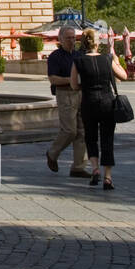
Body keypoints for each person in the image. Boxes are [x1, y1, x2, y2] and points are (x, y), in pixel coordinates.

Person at [71, 28, 127, 191]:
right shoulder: (107, 59)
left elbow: (74, 85)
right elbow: (123, 76)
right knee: (107, 139)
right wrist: (115, 61)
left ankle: (95, 169)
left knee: (91, 137)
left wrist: (87, 85)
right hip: (107, 102)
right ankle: (107, 177)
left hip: (88, 102)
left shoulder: (78, 61)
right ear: (97, 43)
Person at [45, 27, 89, 178]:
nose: (72, 41)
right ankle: (52, 153)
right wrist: (70, 80)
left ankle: (78, 166)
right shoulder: (55, 57)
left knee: (82, 131)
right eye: (69, 38)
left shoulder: (79, 55)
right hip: (65, 94)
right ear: (61, 40)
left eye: (73, 38)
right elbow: (53, 79)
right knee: (70, 130)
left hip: (80, 94)